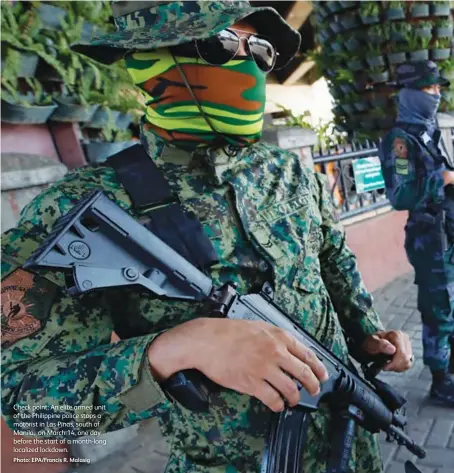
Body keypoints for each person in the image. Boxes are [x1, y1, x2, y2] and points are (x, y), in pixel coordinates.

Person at [1, 2, 413, 472]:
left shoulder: (289, 172)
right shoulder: (82, 207)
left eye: (259, 50)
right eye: (220, 45)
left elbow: (331, 259)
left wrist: (367, 333)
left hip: (350, 452)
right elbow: (25, 404)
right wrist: (171, 351)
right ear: (146, 58)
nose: (246, 65)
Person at [379, 61, 454, 407]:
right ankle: (440, 382)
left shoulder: (429, 129)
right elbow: (401, 196)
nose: (437, 94)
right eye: (429, 89)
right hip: (429, 236)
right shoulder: (401, 140)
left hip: (447, 230)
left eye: (437, 88)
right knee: (438, 307)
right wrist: (443, 183)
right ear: (410, 93)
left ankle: (449, 366)